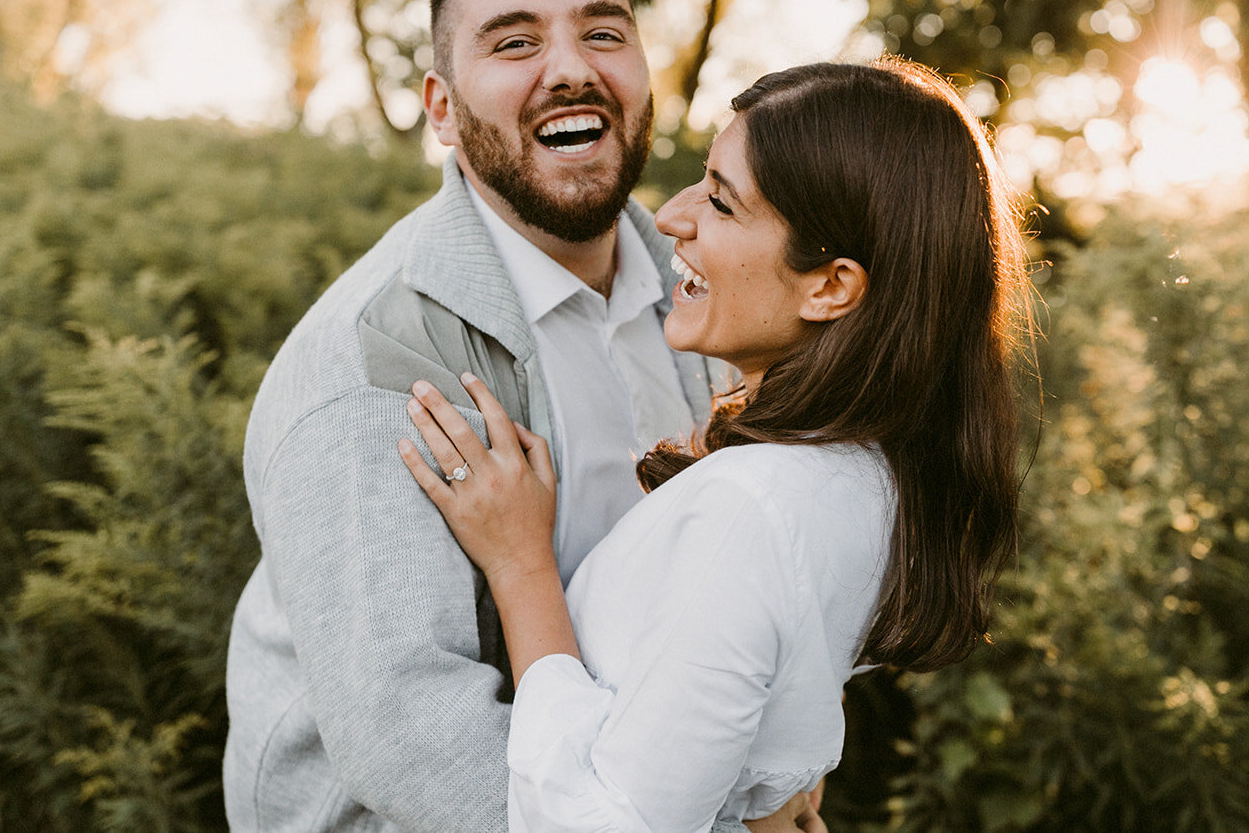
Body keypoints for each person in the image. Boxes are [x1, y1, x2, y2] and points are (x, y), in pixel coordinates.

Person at [399, 58, 1032, 831]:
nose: (671, 216)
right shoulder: (877, 472)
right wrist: (770, 799)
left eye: (724, 204)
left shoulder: (748, 507)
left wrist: (520, 565)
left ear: (830, 286)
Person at [224, 0, 741, 831]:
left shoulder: (703, 287)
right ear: (443, 111)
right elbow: (413, 739)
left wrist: (763, 777)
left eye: (603, 31)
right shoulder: (368, 368)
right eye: (514, 43)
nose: (573, 67)